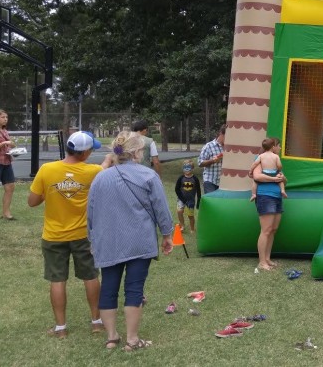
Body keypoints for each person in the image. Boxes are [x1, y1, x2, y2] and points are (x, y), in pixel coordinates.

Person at [87, 131, 174, 351]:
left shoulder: (100, 177)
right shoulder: (148, 175)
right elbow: (161, 209)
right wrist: (167, 234)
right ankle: (132, 340)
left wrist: (92, 238)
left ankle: (111, 337)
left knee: (108, 287)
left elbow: (90, 213)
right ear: (136, 151)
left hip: (108, 241)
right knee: (134, 288)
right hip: (139, 240)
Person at [27, 131, 105, 339]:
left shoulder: (47, 170)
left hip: (53, 236)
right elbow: (104, 173)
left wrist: (51, 191)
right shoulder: (93, 171)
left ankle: (61, 328)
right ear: (84, 152)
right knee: (90, 276)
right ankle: (97, 322)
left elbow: (32, 201)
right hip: (83, 235)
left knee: (58, 280)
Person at [250, 137, 287, 270]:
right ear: (273, 146)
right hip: (265, 196)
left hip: (277, 196)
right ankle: (262, 262)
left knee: (273, 229)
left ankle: (267, 258)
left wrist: (283, 179)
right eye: (279, 146)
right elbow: (257, 176)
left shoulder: (274, 160)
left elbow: (282, 179)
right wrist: (274, 179)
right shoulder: (260, 158)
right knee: (266, 230)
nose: (280, 148)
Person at [174, 160, 202, 233]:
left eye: (189, 167)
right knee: (179, 211)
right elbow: (177, 189)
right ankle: (182, 225)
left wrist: (198, 201)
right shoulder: (181, 178)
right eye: (185, 167)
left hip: (191, 200)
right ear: (183, 168)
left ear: (192, 168)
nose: (187, 169)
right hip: (181, 199)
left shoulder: (195, 179)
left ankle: (192, 229)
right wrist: (182, 199)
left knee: (190, 216)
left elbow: (199, 191)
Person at [198, 125, 226, 194]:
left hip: (223, 183)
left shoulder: (228, 148)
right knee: (212, 202)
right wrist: (213, 161)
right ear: (221, 134)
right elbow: (200, 163)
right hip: (210, 181)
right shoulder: (209, 146)